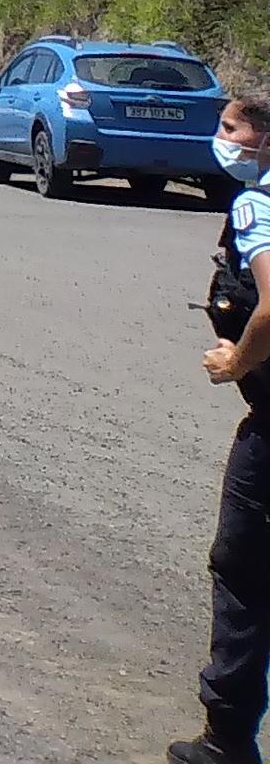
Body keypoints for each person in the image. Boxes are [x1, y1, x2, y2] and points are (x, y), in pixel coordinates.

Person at [178, 91, 270, 764]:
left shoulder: (257, 204)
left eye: (231, 127)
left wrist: (235, 360)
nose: (222, 137)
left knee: (242, 572)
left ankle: (228, 741)